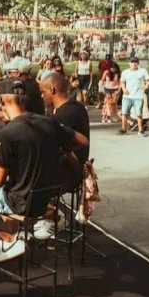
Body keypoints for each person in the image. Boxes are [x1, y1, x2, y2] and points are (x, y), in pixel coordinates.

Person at [0, 78, 88, 262]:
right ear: (25, 99)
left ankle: (8, 239)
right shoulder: (48, 122)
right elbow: (82, 141)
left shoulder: (6, 134)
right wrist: (54, 153)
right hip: (41, 198)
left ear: (1, 101)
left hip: (16, 201)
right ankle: (30, 226)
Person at [38, 72, 90, 238]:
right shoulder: (77, 107)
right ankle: (47, 215)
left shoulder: (63, 116)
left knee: (25, 177)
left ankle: (52, 216)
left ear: (52, 90)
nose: (41, 95)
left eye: (43, 91)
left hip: (68, 175)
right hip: (75, 169)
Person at [118, 56, 149, 137]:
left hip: (138, 96)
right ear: (129, 63)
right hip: (127, 96)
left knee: (139, 114)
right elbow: (122, 82)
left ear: (138, 63)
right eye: (132, 62)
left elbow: (148, 80)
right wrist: (124, 89)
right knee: (124, 113)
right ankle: (123, 129)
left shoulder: (143, 71)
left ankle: (140, 130)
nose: (134, 64)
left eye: (136, 62)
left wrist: (146, 86)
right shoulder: (125, 72)